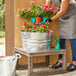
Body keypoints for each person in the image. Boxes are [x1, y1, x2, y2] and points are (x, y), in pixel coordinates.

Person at [46, 0, 76, 71]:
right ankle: (61, 61)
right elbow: (46, 8)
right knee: (62, 37)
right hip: (62, 15)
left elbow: (63, 11)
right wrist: (41, 16)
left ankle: (75, 62)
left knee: (72, 37)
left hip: (73, 14)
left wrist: (50, 19)